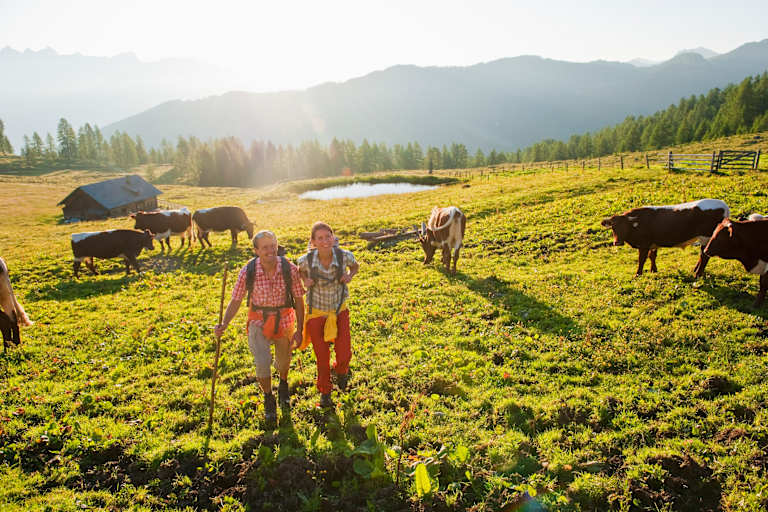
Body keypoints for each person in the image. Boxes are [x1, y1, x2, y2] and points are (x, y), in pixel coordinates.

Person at [214, 230, 305, 423]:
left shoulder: (289, 269)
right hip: (258, 321)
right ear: (256, 250)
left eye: (273, 246)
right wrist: (224, 323)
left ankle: (283, 384)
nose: (270, 250)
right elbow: (236, 300)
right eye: (265, 247)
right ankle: (268, 397)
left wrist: (300, 329)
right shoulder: (249, 270)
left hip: (284, 320)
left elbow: (298, 299)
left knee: (283, 361)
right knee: (262, 362)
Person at [298, 222, 359, 408]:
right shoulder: (306, 260)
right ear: (313, 242)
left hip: (339, 311)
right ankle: (325, 391)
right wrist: (305, 280)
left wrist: (350, 275)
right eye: (320, 238)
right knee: (322, 356)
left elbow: (355, 266)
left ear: (333, 237)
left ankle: (341, 371)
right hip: (317, 314)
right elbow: (300, 272)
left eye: (328, 236)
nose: (325, 241)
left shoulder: (344, 256)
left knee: (344, 351)